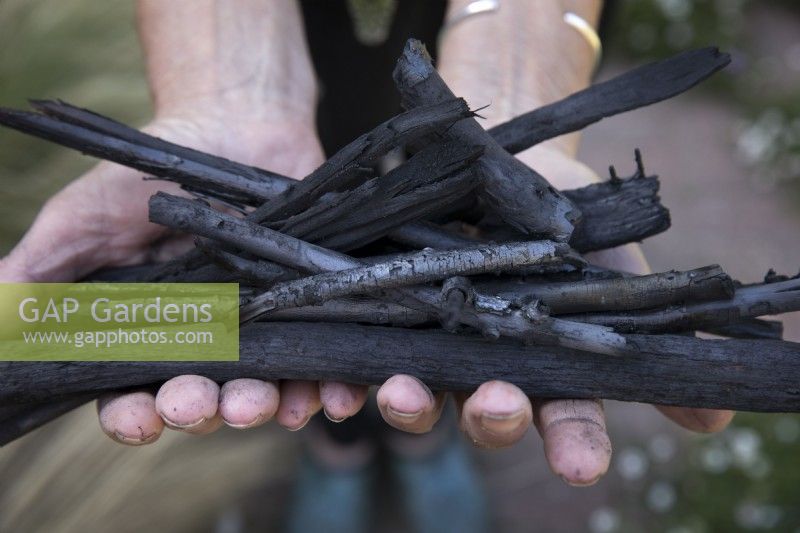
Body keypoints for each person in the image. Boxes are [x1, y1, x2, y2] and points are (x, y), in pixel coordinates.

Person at [0, 0, 733, 524]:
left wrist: (515, 81)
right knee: (327, 366)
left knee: (436, 357)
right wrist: (232, 89)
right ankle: (340, 446)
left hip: (449, 78)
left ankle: (424, 438)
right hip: (299, 73)